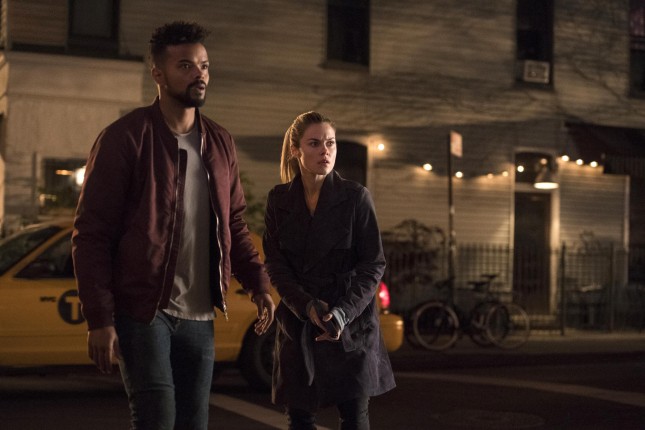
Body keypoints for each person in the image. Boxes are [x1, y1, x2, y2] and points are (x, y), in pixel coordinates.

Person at [71, 21, 275, 430]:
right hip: (143, 312)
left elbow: (234, 222)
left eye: (204, 65)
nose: (199, 74)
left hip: (200, 313)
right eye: (185, 66)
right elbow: (91, 234)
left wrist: (258, 284)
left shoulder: (220, 142)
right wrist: (100, 318)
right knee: (157, 419)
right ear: (158, 74)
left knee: (193, 423)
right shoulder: (126, 138)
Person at [262, 111, 395, 430]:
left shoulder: (355, 197)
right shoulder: (279, 200)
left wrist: (343, 313)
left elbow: (373, 264)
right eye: (315, 143)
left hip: (350, 321)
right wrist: (305, 305)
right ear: (296, 150)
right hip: (299, 320)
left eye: (331, 143)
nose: (325, 150)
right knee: (300, 418)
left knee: (354, 417)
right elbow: (276, 264)